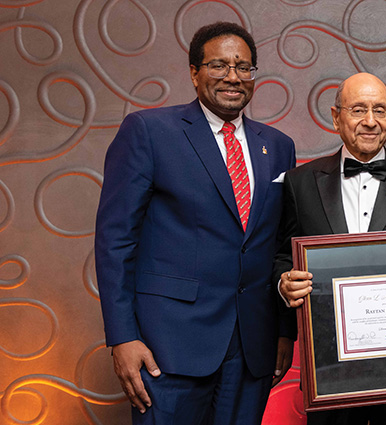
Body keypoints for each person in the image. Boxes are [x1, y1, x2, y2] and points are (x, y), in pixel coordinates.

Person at [95, 21, 296, 424]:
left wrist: (283, 331)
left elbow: (281, 246)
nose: (232, 77)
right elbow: (115, 240)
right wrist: (122, 336)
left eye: (243, 67)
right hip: (168, 346)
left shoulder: (278, 146)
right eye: (218, 65)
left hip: (251, 347)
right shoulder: (150, 131)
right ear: (194, 72)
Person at [274, 72, 386, 425]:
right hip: (328, 368)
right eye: (358, 109)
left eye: (379, 110)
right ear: (336, 117)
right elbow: (282, 256)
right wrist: (283, 283)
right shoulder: (299, 183)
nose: (370, 121)